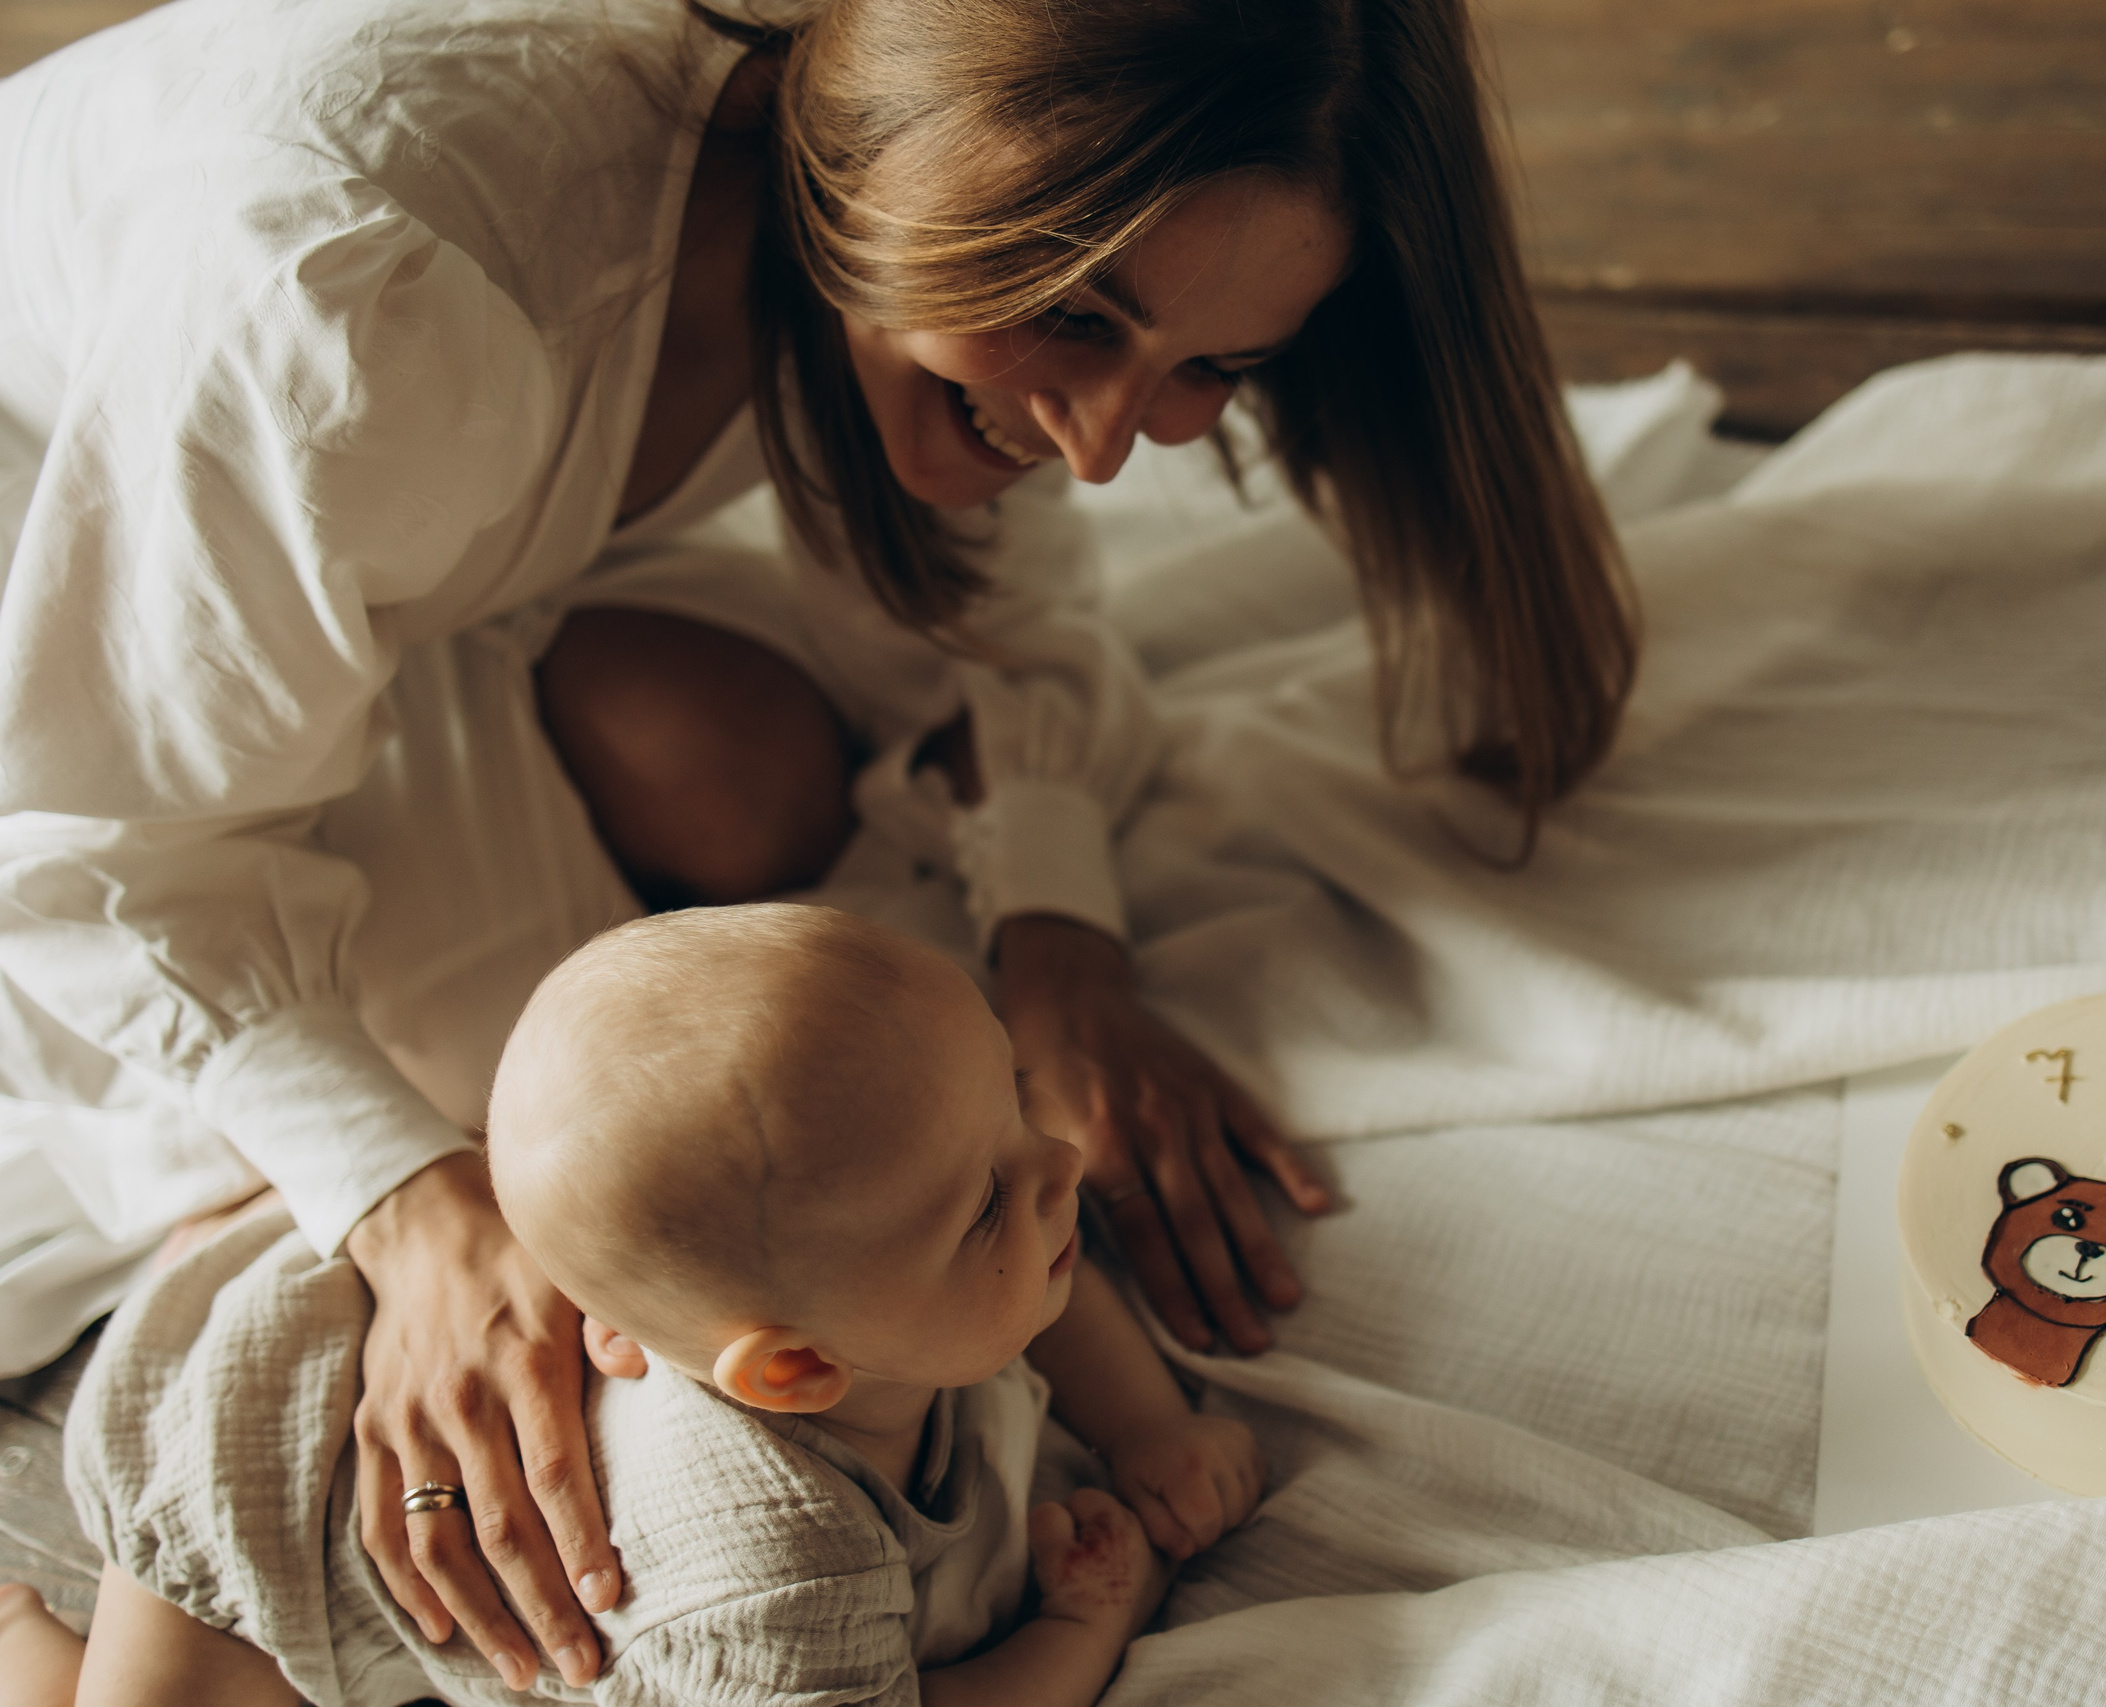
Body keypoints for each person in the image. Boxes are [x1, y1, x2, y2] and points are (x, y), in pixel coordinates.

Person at [0, 0, 1633, 1686]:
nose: (1095, 446)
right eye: (1074, 317)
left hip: (372, 559)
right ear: (902, 139)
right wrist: (409, 1208)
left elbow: (1007, 616)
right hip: (61, 635)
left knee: (739, 801)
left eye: (1212, 369)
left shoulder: (903, 219)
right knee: (580, 1182)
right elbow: (99, 840)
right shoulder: (354, 291)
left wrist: (1060, 946)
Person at [0, 903, 1263, 1705]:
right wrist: (1081, 1629)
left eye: (1016, 1107)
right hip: (269, 1485)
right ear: (790, 1372)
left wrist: (1150, 1427)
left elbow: (1047, 1289)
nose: (1061, 1169)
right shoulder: (767, 1567)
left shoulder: (885, 1286)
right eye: (988, 1200)